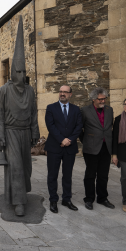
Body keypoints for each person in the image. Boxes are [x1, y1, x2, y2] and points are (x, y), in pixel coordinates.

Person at [0, 16, 40, 216]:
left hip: (25, 133)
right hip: (11, 133)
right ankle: (19, 202)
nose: (21, 75)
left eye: (23, 71)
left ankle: (20, 194)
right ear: (12, 72)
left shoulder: (30, 91)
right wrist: (0, 134)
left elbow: (34, 113)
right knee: (16, 167)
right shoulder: (4, 90)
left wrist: (34, 132)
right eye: (18, 71)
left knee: (25, 167)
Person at [44, 85, 82, 213]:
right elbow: (51, 126)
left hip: (70, 148)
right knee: (52, 175)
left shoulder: (76, 110)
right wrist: (62, 139)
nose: (62, 94)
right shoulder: (51, 108)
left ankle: (67, 199)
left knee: (67, 175)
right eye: (60, 91)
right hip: (54, 147)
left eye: (65, 92)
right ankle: (53, 200)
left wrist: (69, 140)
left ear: (70, 94)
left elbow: (79, 127)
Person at [79, 87, 115, 210]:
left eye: (104, 99)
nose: (103, 101)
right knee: (90, 174)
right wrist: (87, 141)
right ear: (93, 99)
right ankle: (89, 199)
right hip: (91, 147)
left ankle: (102, 198)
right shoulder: (85, 110)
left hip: (106, 147)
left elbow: (111, 127)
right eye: (100, 99)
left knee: (103, 175)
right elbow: (80, 129)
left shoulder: (110, 110)